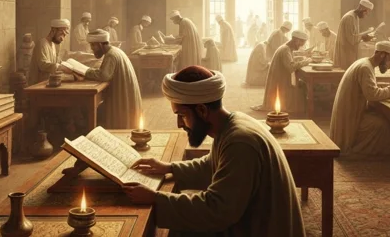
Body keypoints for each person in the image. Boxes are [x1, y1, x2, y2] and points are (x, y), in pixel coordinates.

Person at [123, 66, 304, 236]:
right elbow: (212, 165)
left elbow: (217, 210)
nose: (179, 124)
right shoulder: (232, 124)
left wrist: (155, 199)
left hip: (260, 230)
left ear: (201, 110)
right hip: (249, 221)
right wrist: (169, 168)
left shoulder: (240, 142)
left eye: (182, 116)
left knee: (179, 231)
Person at [330, 40, 390, 156]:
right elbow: (372, 95)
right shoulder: (365, 67)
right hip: (350, 116)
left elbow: (368, 88)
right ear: (382, 54)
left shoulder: (365, 63)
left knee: (383, 119)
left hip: (350, 110)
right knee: (382, 125)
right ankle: (380, 154)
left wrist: (382, 87)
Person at [83, 29, 143, 129]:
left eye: (93, 45)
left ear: (100, 44)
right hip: (125, 94)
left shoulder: (111, 55)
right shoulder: (115, 51)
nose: (92, 48)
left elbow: (104, 75)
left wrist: (85, 72)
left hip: (121, 98)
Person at [256, 31, 311, 112]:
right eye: (300, 44)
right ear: (296, 41)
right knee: (303, 87)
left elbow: (289, 60)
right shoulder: (285, 50)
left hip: (279, 79)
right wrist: (306, 62)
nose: (300, 47)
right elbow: (291, 67)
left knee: (301, 85)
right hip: (280, 82)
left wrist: (300, 59)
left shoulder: (286, 47)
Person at [29, 19, 72, 85]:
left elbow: (55, 62)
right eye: (61, 34)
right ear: (53, 30)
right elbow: (43, 65)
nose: (62, 38)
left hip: (48, 83)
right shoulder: (42, 43)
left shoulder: (53, 44)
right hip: (38, 85)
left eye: (64, 35)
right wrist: (59, 67)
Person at [334, 0, 374, 68]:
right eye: (366, 12)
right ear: (361, 9)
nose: (366, 15)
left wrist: (364, 36)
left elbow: (355, 35)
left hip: (349, 51)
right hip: (345, 52)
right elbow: (351, 39)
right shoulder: (350, 17)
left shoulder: (355, 17)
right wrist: (363, 37)